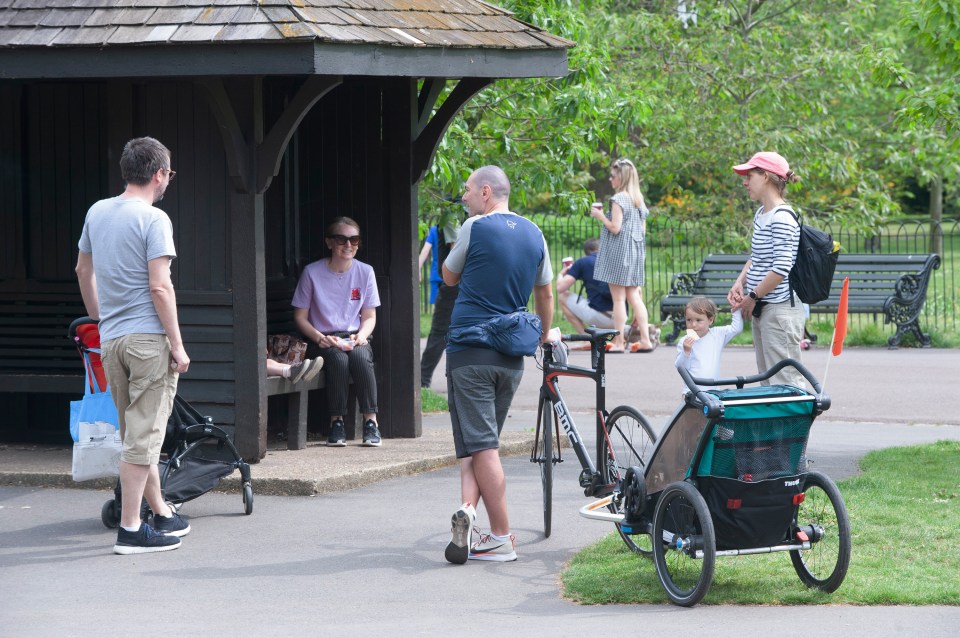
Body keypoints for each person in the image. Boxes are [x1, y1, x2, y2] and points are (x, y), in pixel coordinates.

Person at [75, 137, 190, 554]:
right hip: (147, 341)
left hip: (112, 340)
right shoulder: (154, 218)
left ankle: (161, 511)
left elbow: (82, 268)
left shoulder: (97, 211)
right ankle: (130, 528)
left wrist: (99, 315)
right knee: (143, 437)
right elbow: (160, 287)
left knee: (136, 433)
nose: (167, 181)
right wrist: (177, 346)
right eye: (169, 173)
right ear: (158, 173)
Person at [442, 166, 553, 564]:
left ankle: (502, 537)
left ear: (486, 192)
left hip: (469, 352)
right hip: (511, 357)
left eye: (468, 191)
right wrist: (544, 335)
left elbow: (448, 276)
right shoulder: (535, 233)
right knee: (478, 443)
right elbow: (545, 295)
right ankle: (469, 514)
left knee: (483, 446)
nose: (465, 198)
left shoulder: (476, 226)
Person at [293, 217, 382, 447]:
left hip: (354, 335)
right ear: (329, 242)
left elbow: (370, 316)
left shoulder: (365, 272)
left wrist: (362, 336)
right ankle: (336, 422)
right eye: (341, 239)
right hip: (322, 338)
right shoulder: (312, 273)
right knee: (337, 360)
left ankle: (371, 423)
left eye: (354, 239)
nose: (348, 245)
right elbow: (300, 317)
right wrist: (320, 338)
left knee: (362, 359)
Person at [727, 151, 806, 388]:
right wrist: (740, 282)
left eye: (750, 175)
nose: (745, 182)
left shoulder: (781, 217)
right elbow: (758, 257)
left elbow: (781, 268)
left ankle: (796, 427)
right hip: (763, 307)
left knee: (786, 384)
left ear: (766, 176)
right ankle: (777, 427)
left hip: (779, 311)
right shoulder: (762, 214)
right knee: (768, 382)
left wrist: (752, 296)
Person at [590, 158, 655, 353]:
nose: (610, 179)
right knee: (634, 297)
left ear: (622, 177)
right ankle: (645, 340)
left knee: (618, 299)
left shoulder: (618, 199)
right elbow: (642, 231)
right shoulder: (638, 200)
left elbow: (615, 228)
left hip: (619, 253)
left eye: (613, 176)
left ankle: (619, 342)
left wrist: (600, 216)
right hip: (635, 253)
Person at [419, 219, 460, 389]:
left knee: (440, 331)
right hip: (452, 282)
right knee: (446, 332)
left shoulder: (450, 219)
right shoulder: (460, 218)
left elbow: (453, 254)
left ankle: (423, 379)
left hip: (450, 282)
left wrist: (418, 268)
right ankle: (423, 379)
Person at [674, 297, 743, 383]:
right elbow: (680, 367)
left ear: (710, 320)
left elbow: (736, 329)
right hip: (692, 391)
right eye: (689, 320)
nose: (693, 324)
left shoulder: (717, 334)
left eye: (698, 320)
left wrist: (736, 309)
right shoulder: (684, 342)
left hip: (713, 390)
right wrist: (686, 352)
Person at [556, 238, 614, 337]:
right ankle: (623, 333)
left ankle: (585, 337)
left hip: (600, 316)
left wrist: (562, 274)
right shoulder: (614, 261)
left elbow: (560, 288)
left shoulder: (583, 262)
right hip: (620, 316)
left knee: (562, 297)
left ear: (587, 251)